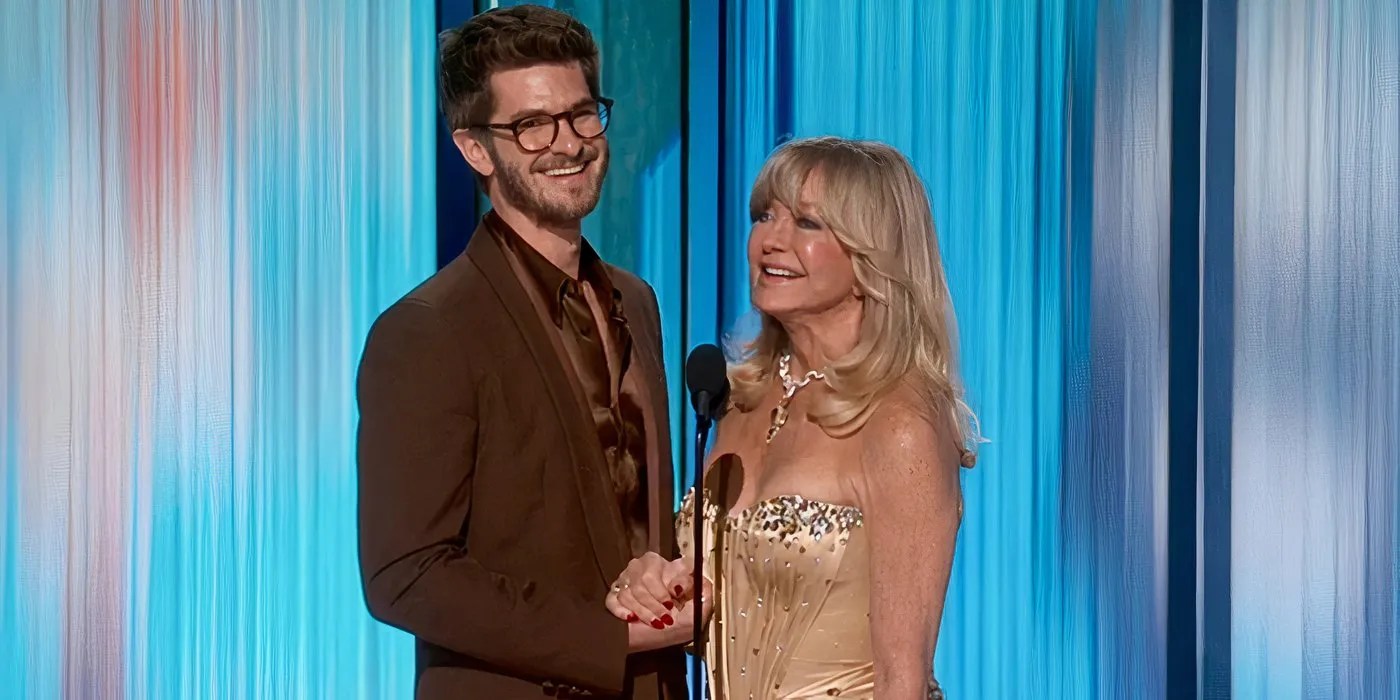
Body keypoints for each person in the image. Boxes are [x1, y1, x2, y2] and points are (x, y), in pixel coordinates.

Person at [356, 6, 693, 698]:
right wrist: (611, 638)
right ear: (476, 150)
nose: (567, 143)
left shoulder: (636, 301)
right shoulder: (428, 330)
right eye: (532, 125)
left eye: (582, 114)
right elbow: (406, 574)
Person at [605, 137, 977, 699]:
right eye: (764, 216)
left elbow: (904, 678)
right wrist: (657, 588)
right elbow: (729, 603)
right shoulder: (738, 401)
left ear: (871, 256)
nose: (770, 241)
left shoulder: (900, 424)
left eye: (806, 223)